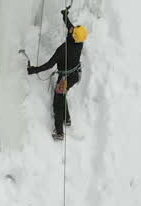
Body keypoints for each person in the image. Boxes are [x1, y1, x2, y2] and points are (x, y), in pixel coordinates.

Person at [26, 8, 88, 141]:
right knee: (63, 94)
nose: (72, 29)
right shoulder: (79, 42)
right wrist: (65, 15)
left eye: (74, 30)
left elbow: (49, 65)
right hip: (75, 75)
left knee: (58, 102)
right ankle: (67, 118)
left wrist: (33, 70)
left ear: (74, 36)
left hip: (65, 78)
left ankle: (59, 132)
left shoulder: (63, 49)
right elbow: (71, 27)